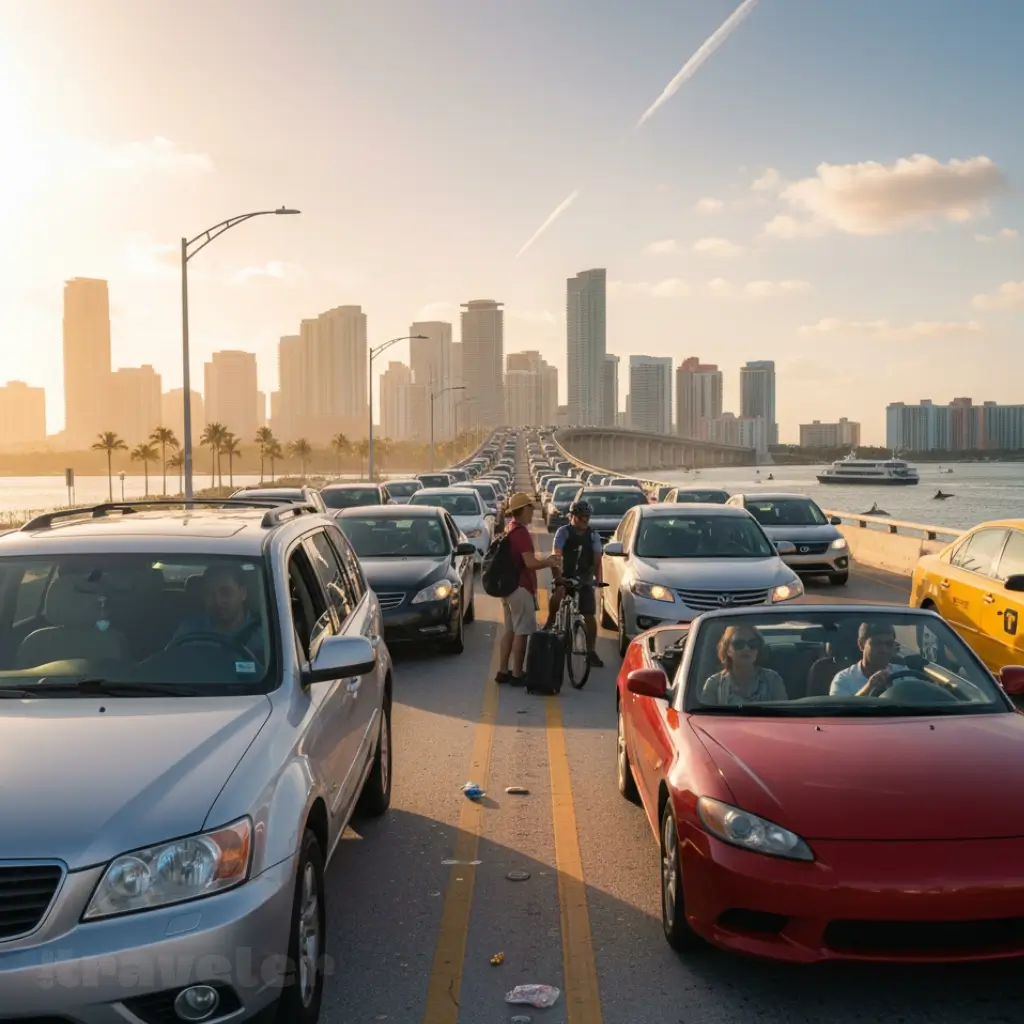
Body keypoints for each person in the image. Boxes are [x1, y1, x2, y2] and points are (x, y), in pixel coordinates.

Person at [496, 491, 560, 686]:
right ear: (522, 510)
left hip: (507, 589)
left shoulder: (510, 528)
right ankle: (517, 673)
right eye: (530, 509)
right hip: (521, 588)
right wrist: (549, 562)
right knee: (522, 632)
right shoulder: (521, 533)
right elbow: (529, 563)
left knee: (509, 630)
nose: (532, 512)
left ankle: (503, 671)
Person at [544, 500, 604, 667]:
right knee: (558, 593)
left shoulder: (593, 536)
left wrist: (597, 581)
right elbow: (557, 555)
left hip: (584, 578)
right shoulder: (563, 532)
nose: (585, 521)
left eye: (587, 518)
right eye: (581, 517)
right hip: (565, 574)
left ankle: (591, 651)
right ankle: (550, 620)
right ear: (572, 517)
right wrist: (559, 577)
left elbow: (598, 561)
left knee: (590, 616)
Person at [172, 563, 265, 662]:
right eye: (209, 593)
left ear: (243, 593)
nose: (218, 600)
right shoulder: (188, 631)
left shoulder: (265, 636)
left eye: (226, 592)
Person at [700, 625, 788, 705]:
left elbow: (784, 715)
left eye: (752, 644)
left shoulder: (772, 679)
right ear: (728, 650)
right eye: (739, 644)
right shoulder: (714, 684)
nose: (746, 648)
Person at [829, 621, 898, 696]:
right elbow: (841, 707)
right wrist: (869, 688)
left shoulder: (904, 676)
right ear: (861, 644)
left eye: (889, 644)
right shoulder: (844, 680)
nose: (884, 650)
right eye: (877, 643)